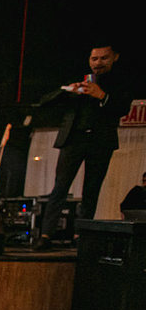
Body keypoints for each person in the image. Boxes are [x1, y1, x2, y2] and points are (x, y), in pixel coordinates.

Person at [36, 43, 134, 248]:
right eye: (94, 59)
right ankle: (45, 235)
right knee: (59, 188)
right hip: (73, 139)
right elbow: (44, 101)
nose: (98, 63)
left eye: (103, 58)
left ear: (115, 58)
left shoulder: (120, 82)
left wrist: (102, 96)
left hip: (100, 141)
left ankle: (81, 235)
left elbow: (122, 108)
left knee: (91, 189)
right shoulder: (78, 78)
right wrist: (67, 91)